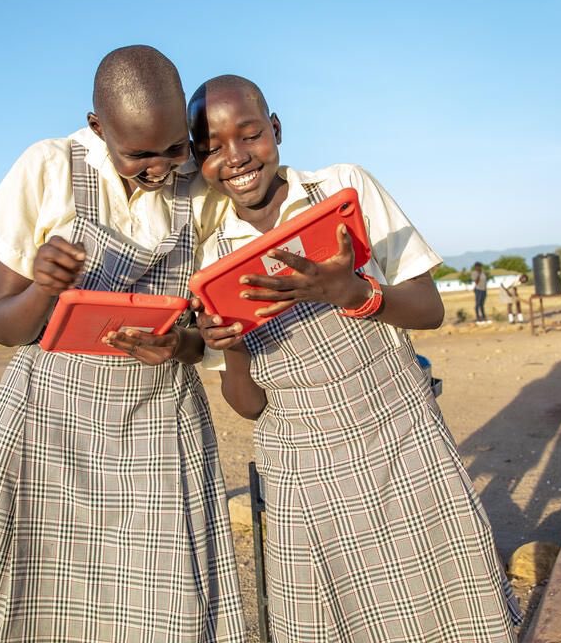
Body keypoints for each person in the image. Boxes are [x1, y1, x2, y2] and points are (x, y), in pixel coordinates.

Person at [189, 75, 521, 643]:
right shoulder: (211, 255)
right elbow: (246, 407)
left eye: (249, 135)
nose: (237, 158)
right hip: (302, 472)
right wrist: (235, 349)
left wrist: (355, 294)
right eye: (213, 148)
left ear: (276, 130)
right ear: (198, 160)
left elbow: (429, 309)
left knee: (451, 615)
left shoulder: (344, 190)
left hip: (402, 439)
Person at [0, 47, 246, 642]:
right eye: (137, 154)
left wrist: (180, 345)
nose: (160, 169)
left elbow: (203, 334)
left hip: (159, 416)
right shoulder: (48, 168)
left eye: (175, 148)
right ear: (97, 128)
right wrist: (43, 287)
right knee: (49, 601)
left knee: (168, 600)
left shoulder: (202, 191)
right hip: (52, 420)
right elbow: (6, 327)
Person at [472, 261, 491, 325]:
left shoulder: (483, 273)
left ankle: (483, 316)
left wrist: (485, 290)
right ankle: (478, 317)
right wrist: (479, 274)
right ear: (475, 267)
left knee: (482, 304)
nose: (479, 268)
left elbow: (485, 281)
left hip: (483, 290)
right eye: (478, 267)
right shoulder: (474, 273)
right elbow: (476, 282)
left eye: (480, 266)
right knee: (478, 304)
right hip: (478, 290)